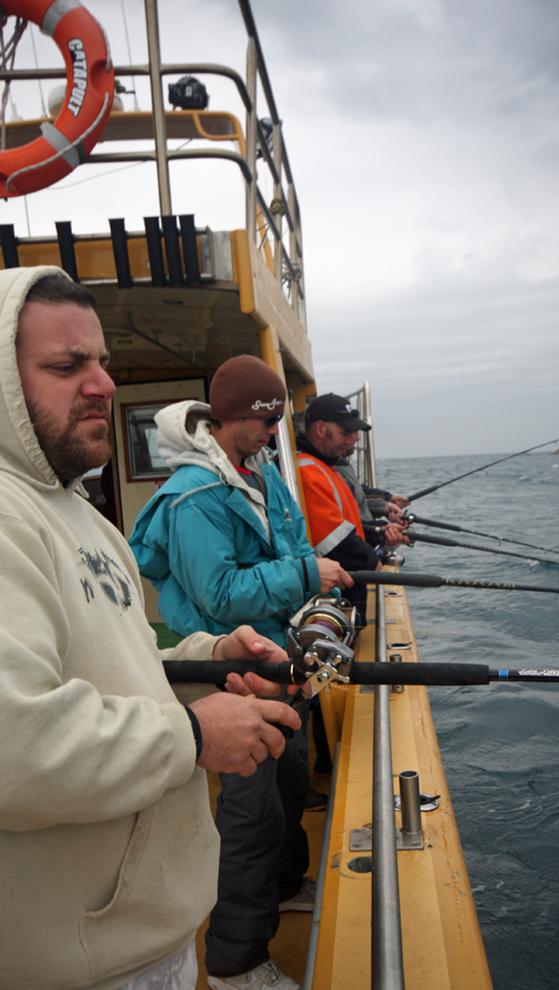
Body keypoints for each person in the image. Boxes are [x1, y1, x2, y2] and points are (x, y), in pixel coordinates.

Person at [0, 266, 300, 990]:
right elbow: (17, 743)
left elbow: (130, 655)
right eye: (67, 366)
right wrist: (195, 736)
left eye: (101, 362)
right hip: (73, 963)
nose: (101, 383)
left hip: (140, 932)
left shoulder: (81, 516)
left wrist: (211, 656)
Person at [129, 356, 351, 990]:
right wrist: (309, 575)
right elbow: (220, 595)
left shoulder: (261, 473)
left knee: (290, 781)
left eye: (277, 418)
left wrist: (309, 583)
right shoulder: (194, 497)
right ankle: (233, 960)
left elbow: (291, 546)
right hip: (231, 672)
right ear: (226, 416)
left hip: (279, 658)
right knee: (249, 816)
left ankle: (285, 886)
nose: (271, 430)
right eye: (262, 419)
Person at [296, 393, 382, 625]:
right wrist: (373, 562)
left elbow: (346, 523)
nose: (353, 439)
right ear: (321, 429)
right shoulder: (307, 470)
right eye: (345, 432)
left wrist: (378, 532)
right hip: (335, 598)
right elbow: (333, 543)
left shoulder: (323, 467)